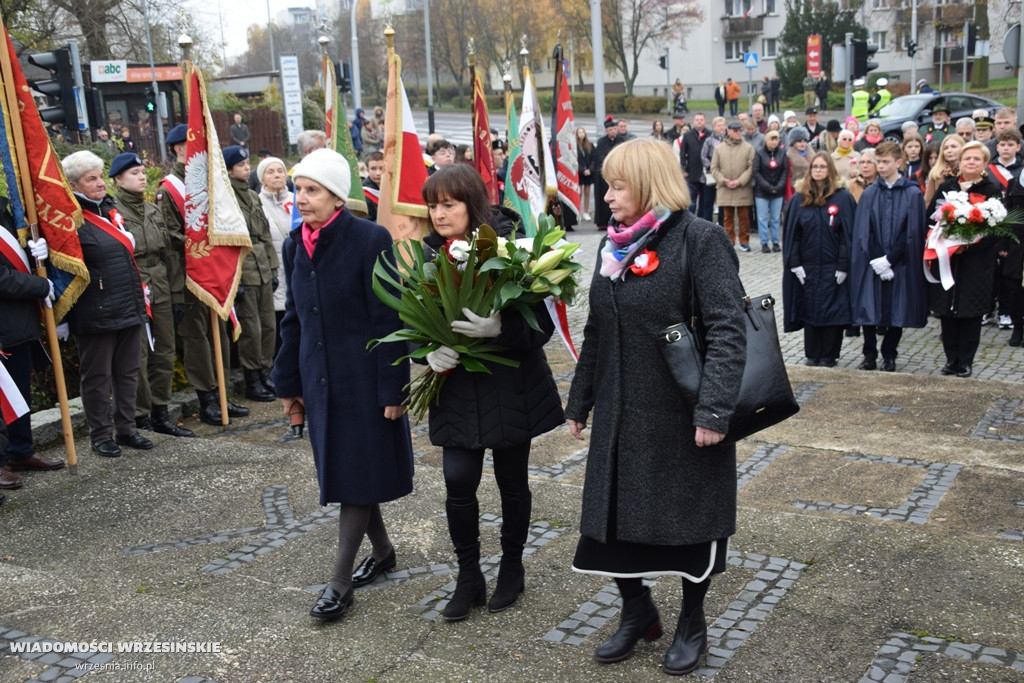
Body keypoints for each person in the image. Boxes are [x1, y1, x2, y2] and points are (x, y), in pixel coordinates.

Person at [564, 138, 747, 675]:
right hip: (621, 413)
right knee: (611, 524)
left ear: (649, 184)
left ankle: (693, 622)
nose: (607, 198)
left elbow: (728, 330)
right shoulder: (612, 246)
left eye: (618, 186)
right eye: (606, 185)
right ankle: (637, 610)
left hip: (681, 415)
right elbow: (598, 328)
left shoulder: (701, 240)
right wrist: (580, 401)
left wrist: (714, 412)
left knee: (690, 525)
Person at [274, 148, 414, 621]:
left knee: (353, 477)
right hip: (319, 383)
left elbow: (391, 316)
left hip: (364, 381)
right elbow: (294, 320)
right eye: (298, 189)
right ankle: (384, 552)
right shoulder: (295, 244)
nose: (302, 198)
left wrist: (394, 388)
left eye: (312, 190)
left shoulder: (370, 238)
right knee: (349, 474)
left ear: (337, 197)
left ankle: (338, 583)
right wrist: (288, 384)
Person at [419, 164, 563, 621]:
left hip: (509, 387)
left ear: (471, 205)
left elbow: (542, 326)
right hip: (456, 385)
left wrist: (501, 327)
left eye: (449, 205)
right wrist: (427, 351)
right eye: (433, 206)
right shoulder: (427, 255)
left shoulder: (512, 248)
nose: (439, 214)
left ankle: (512, 568)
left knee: (511, 481)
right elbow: (409, 321)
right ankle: (468, 576)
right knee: (458, 480)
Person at [156, 124, 249, 425]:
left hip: (213, 271)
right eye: (191, 146)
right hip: (188, 274)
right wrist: (200, 246)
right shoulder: (169, 189)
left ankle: (223, 393)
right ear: (178, 150)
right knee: (196, 337)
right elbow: (169, 234)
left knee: (217, 333)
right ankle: (206, 398)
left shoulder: (210, 183)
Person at [61, 151, 151, 456]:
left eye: (100, 177)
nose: (100, 183)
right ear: (74, 184)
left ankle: (126, 429)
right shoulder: (70, 217)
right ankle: (100, 434)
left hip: (127, 302)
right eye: (92, 179)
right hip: (94, 309)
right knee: (97, 377)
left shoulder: (110, 209)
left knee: (128, 371)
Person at [110, 153, 193, 438]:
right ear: (118, 179)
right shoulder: (113, 213)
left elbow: (169, 253)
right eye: (134, 173)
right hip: (135, 287)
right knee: (139, 356)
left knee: (164, 352)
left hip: (161, 285)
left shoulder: (152, 210)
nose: (142, 177)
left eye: (143, 171)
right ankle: (140, 417)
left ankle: (161, 413)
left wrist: (177, 295)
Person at [0, 196, 66, 490]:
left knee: (18, 394)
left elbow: (17, 258)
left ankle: (20, 451)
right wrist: (40, 285)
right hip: (4, 320)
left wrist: (35, 253)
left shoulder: (7, 212)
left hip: (19, 321)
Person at [924, 141, 1002, 376]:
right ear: (959, 162)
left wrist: (967, 246)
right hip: (948, 260)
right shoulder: (947, 187)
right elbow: (931, 219)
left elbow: (996, 229)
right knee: (947, 312)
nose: (971, 162)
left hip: (976, 263)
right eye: (967, 158)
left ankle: (966, 361)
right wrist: (946, 242)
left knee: (970, 312)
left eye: (976, 159)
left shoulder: (991, 190)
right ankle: (951, 360)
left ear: (984, 164)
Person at [850, 141, 928, 372]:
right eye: (878, 162)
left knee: (897, 309)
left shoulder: (912, 193)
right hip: (873, 262)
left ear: (898, 162)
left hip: (900, 262)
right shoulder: (871, 193)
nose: (880, 167)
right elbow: (865, 230)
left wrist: (891, 259)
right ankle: (869, 353)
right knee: (870, 308)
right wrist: (877, 260)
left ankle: (889, 353)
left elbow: (913, 231)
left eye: (885, 162)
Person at [782, 152, 856, 366]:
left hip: (833, 266)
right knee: (811, 309)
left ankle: (829, 354)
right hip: (808, 267)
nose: (818, 170)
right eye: (815, 166)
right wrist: (794, 263)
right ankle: (812, 354)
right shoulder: (800, 199)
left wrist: (844, 265)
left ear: (830, 170)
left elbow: (846, 236)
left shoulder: (842, 198)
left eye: (823, 167)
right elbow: (793, 235)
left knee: (833, 309)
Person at [224, 146, 279, 402]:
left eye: (248, 163)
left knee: (268, 325)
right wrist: (233, 280)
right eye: (242, 164)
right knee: (251, 329)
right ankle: (252, 377)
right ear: (229, 169)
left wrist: (274, 267)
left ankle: (266, 372)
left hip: (263, 269)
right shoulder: (226, 199)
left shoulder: (253, 197)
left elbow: (265, 235)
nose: (247, 168)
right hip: (244, 270)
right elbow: (226, 243)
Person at [257, 154, 292, 354]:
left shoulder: (297, 200)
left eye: (280, 171)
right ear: (262, 178)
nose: (277, 175)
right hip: (274, 271)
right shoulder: (257, 204)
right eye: (270, 172)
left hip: (295, 268)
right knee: (277, 323)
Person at [711, 121, 755, 251]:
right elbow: (714, 168)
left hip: (742, 188)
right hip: (725, 188)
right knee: (727, 218)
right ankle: (729, 241)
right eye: (735, 130)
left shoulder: (748, 148)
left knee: (744, 217)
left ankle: (744, 241)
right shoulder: (719, 148)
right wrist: (723, 180)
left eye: (740, 130)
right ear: (728, 131)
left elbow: (751, 168)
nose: (738, 133)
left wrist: (739, 181)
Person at [752, 129, 787, 252]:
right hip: (762, 191)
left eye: (776, 139)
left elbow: (784, 171)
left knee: (776, 218)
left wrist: (778, 187)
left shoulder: (782, 153)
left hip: (778, 191)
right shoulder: (759, 153)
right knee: (762, 218)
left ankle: (776, 242)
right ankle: (764, 242)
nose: (774, 142)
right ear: (766, 140)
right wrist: (768, 187)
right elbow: (756, 172)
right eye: (771, 139)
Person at [681, 113, 711, 221]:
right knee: (691, 201)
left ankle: (702, 221)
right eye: (697, 120)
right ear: (693, 122)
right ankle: (690, 221)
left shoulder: (710, 134)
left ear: (705, 121)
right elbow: (682, 153)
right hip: (692, 173)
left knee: (705, 200)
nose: (699, 121)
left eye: (701, 120)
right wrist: (684, 169)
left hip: (706, 173)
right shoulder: (688, 135)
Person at [594, 116, 621, 230]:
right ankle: (603, 222)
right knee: (603, 198)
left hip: (618, 174)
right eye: (611, 129)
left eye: (615, 129)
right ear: (607, 131)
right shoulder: (601, 142)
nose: (613, 131)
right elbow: (600, 158)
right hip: (603, 175)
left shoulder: (621, 141)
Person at [700, 116, 728, 227]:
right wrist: (712, 167)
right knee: (708, 202)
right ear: (713, 127)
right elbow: (703, 156)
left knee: (722, 203)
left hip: (724, 176)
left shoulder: (728, 140)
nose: (721, 128)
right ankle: (708, 225)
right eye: (718, 125)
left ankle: (722, 225)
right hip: (711, 176)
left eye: (723, 125)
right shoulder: (709, 140)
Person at [924, 134, 965, 207]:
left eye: (953, 146)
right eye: (946, 148)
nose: (949, 151)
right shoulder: (936, 173)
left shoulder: (969, 172)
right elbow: (928, 202)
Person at [786, 127, 812, 196]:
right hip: (796, 189)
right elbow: (788, 178)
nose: (802, 144)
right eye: (800, 141)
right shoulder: (789, 156)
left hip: (812, 188)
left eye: (804, 141)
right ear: (793, 142)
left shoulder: (812, 153)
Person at [577, 127, 595, 222]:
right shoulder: (575, 146)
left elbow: (593, 158)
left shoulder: (590, 145)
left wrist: (590, 169)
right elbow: (574, 160)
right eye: (579, 132)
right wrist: (581, 170)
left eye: (582, 132)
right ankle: (578, 212)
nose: (581, 134)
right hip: (579, 172)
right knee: (579, 192)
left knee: (587, 192)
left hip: (588, 172)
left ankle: (586, 212)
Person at [361, 150, 384, 222]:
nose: (378, 173)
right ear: (367, 170)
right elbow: (366, 222)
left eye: (381, 168)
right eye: (373, 169)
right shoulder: (364, 194)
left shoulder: (394, 188)